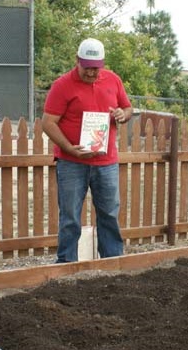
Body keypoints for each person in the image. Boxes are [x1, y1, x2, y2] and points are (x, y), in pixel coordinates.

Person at [41, 38, 133, 263]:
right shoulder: (62, 85)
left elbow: (127, 107)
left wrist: (123, 114)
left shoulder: (113, 80)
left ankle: (112, 262)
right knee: (70, 217)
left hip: (106, 162)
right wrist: (69, 149)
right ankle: (66, 264)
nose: (92, 73)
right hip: (72, 162)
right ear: (77, 61)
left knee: (109, 214)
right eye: (87, 67)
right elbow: (48, 123)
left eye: (96, 68)